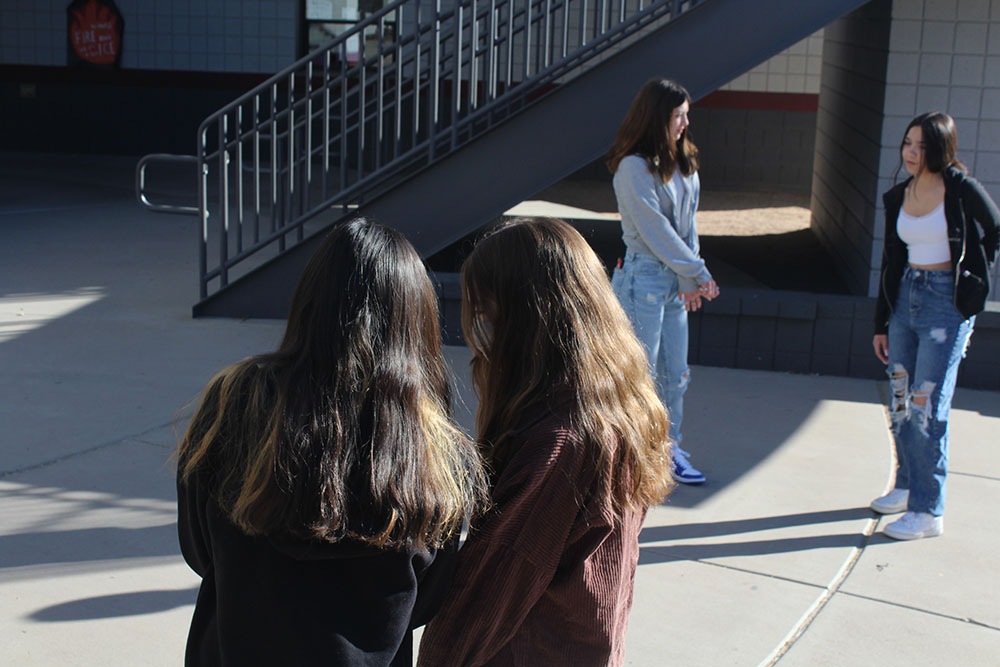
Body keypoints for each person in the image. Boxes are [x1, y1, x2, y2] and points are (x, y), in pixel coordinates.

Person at [174, 219, 487, 665]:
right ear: (417, 322)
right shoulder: (438, 449)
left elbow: (198, 547)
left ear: (310, 301)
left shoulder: (235, 400)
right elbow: (428, 599)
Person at [417, 218, 674, 666]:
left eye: (487, 314)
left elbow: (489, 588)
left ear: (530, 319)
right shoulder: (618, 403)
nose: (483, 336)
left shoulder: (560, 440)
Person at [871, 112, 999, 540]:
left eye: (921, 146)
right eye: (908, 143)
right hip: (906, 302)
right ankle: (908, 485)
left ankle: (929, 510)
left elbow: (994, 227)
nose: (910, 152)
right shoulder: (899, 196)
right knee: (902, 400)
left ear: (940, 149)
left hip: (946, 307)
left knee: (928, 407)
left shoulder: (959, 189)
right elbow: (891, 263)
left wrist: (975, 282)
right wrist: (882, 323)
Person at [606, 78, 720, 485]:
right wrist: (698, 272)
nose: (685, 124)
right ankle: (631, 457)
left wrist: (690, 276)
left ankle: (668, 449)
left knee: (676, 373)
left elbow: (687, 228)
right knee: (640, 373)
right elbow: (656, 231)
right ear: (657, 117)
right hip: (643, 280)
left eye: (687, 115)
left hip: (673, 280)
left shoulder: (683, 161)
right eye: (677, 115)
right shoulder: (634, 167)